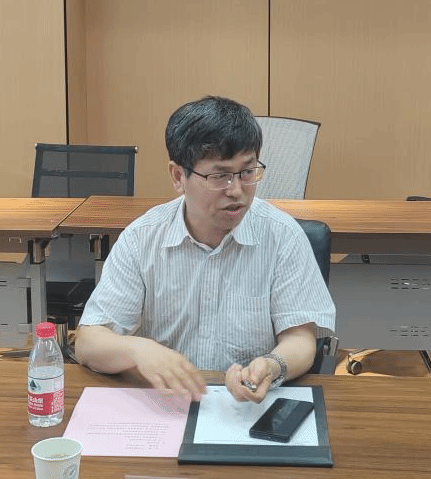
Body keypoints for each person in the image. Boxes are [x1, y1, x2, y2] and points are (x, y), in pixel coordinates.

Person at [75, 95, 336, 403]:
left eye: (247, 172)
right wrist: (139, 350)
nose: (236, 190)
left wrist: (273, 364)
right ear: (178, 176)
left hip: (247, 406)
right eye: (220, 176)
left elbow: (300, 339)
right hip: (167, 406)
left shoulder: (282, 236)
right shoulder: (142, 239)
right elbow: (88, 342)